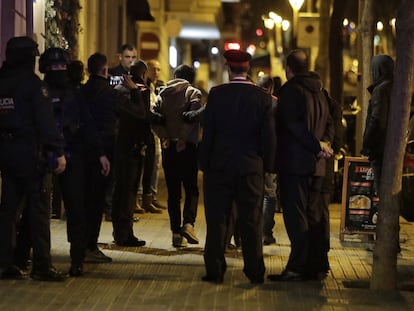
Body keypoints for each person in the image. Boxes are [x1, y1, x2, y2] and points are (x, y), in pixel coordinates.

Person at [199, 49, 276, 284]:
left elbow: (208, 133)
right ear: (248, 68)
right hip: (251, 167)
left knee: (218, 219)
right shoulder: (262, 98)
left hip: (220, 167)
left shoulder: (217, 94)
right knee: (251, 220)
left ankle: (215, 270)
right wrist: (268, 166)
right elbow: (269, 137)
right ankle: (254, 271)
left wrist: (204, 164)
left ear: (228, 67)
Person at [38, 47, 110, 277]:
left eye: (62, 67)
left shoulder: (74, 94)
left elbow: (87, 125)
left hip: (73, 157)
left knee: (76, 209)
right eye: (54, 67)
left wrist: (100, 153)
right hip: (43, 157)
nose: (59, 71)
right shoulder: (40, 92)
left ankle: (77, 259)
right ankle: (30, 259)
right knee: (36, 210)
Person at [0, 36, 66, 281]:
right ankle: (41, 265)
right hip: (30, 154)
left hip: (6, 154)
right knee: (38, 210)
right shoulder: (33, 85)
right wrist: (58, 151)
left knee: (7, 209)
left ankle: (5, 262)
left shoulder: (2, 82)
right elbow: (45, 122)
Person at [268, 49, 334, 282]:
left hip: (295, 165)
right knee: (314, 216)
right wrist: (324, 145)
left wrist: (317, 145)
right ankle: (316, 265)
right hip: (317, 166)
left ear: (288, 68)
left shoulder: (290, 91)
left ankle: (298, 266)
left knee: (296, 218)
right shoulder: (320, 91)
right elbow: (329, 122)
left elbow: (294, 126)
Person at [152, 64, 202, 247]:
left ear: (174, 75)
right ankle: (188, 223)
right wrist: (183, 138)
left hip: (168, 147)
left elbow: (154, 117)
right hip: (187, 147)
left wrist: (163, 136)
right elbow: (194, 117)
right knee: (191, 188)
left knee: (173, 192)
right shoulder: (193, 92)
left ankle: (175, 234)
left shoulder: (162, 94)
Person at [82, 52, 122, 262]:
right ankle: (90, 245)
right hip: (104, 152)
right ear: (105, 70)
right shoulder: (110, 93)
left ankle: (80, 245)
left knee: (83, 199)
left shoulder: (82, 91)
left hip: (83, 152)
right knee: (97, 200)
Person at [111, 59, 148, 246]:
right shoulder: (141, 90)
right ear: (144, 74)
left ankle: (118, 232)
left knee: (119, 190)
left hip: (117, 146)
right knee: (130, 192)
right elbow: (144, 117)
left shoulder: (116, 89)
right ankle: (125, 235)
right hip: (133, 147)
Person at [362, 55, 394, 196]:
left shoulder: (380, 90)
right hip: (393, 147)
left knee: (382, 190)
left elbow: (377, 120)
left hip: (380, 148)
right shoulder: (397, 87)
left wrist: (367, 144)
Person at [256, 74, 278, 246]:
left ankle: (251, 231)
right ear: (271, 88)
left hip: (251, 154)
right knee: (269, 194)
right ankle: (266, 233)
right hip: (271, 154)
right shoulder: (276, 103)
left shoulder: (249, 101)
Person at [142, 59, 166, 211]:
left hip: (157, 131)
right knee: (146, 165)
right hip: (146, 130)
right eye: (153, 69)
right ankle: (141, 197)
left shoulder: (158, 87)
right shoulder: (144, 87)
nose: (156, 72)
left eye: (158, 69)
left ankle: (152, 196)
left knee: (156, 163)